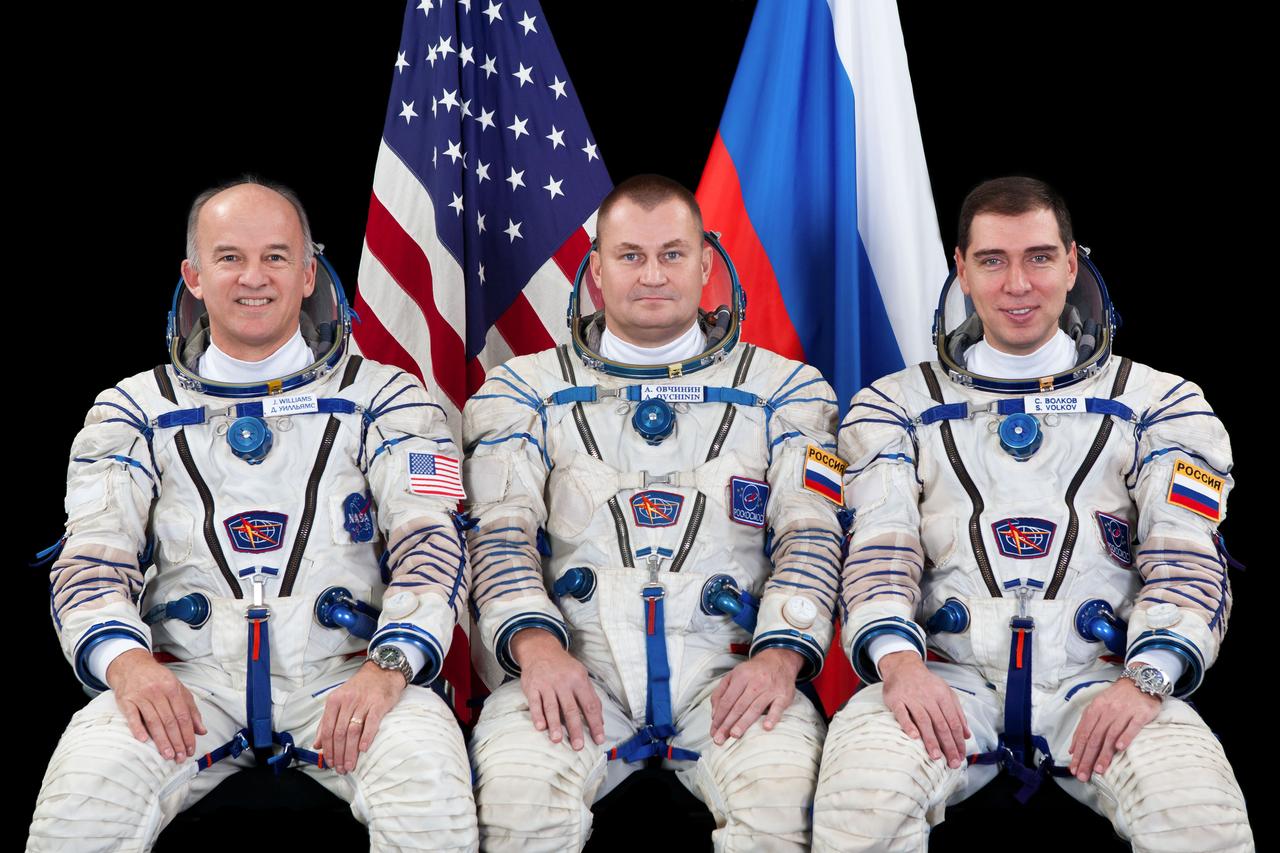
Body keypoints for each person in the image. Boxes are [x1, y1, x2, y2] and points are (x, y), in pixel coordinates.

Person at [28, 179, 478, 851]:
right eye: (230, 257)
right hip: (186, 681)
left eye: (275, 256)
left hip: (348, 672)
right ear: (194, 276)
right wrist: (128, 664)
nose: (253, 277)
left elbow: (434, 543)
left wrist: (390, 666)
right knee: (79, 809)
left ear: (307, 274)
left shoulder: (390, 398)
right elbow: (91, 559)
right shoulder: (130, 410)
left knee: (434, 803)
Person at [812, 176, 1253, 850]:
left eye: (1039, 258)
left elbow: (1185, 557)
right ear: (962, 270)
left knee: (1200, 820)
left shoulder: (1160, 404)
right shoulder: (894, 407)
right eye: (992, 261)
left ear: (1071, 264)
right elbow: (879, 547)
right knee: (859, 809)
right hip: (944, 677)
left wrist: (1149, 678)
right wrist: (900, 664)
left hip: (1106, 680)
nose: (1017, 284)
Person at [462, 174, 843, 851]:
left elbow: (812, 533)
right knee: (518, 800)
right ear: (597, 269)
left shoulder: (787, 389)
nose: (652, 275)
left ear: (706, 263)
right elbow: (499, 533)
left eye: (672, 253)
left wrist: (781, 654)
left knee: (781, 801)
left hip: (733, 673)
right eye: (630, 255)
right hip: (572, 668)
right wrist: (537, 649)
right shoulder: (522, 389)